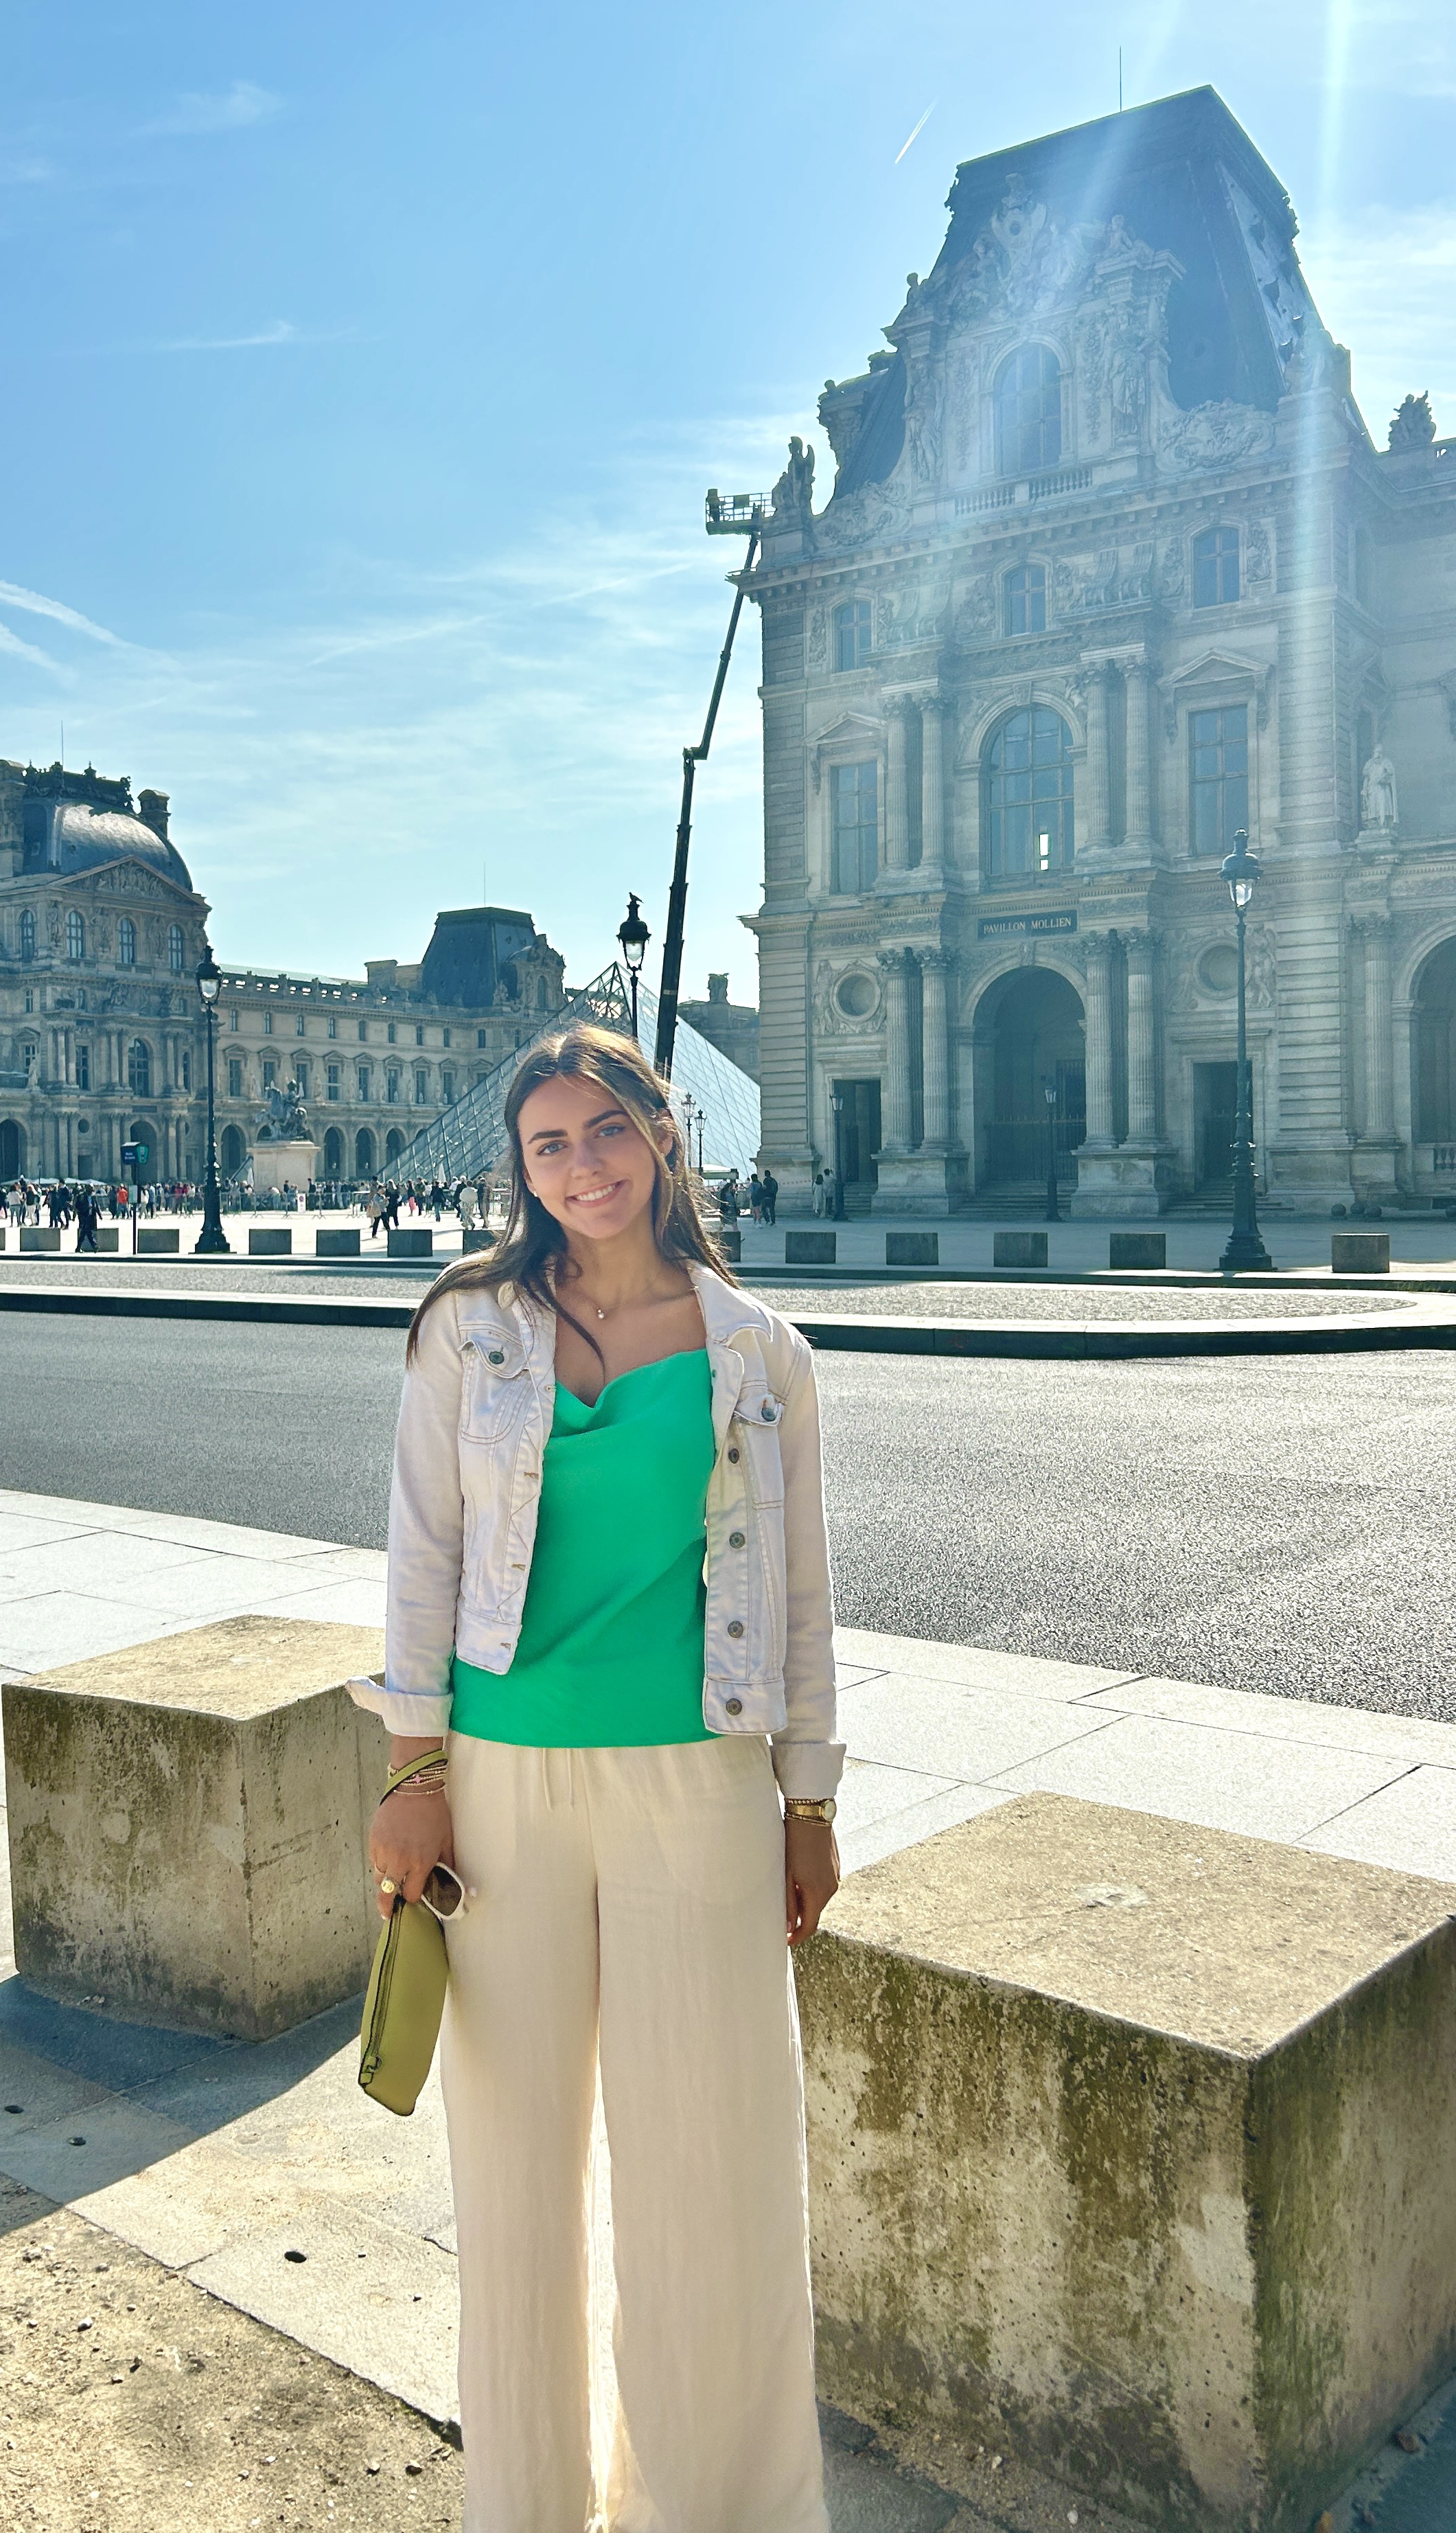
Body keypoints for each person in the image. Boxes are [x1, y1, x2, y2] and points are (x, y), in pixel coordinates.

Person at [353, 1019, 840, 2532]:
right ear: (520, 1165)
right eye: (550, 1143)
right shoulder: (467, 1327)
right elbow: (422, 1553)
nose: (584, 1166)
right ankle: (525, 2508)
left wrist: (810, 1800)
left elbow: (803, 1591)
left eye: (609, 1130)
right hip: (501, 1784)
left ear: (664, 1133)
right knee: (513, 2184)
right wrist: (413, 1770)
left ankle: (720, 2511)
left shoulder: (761, 1349)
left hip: (700, 1784)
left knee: (714, 2179)